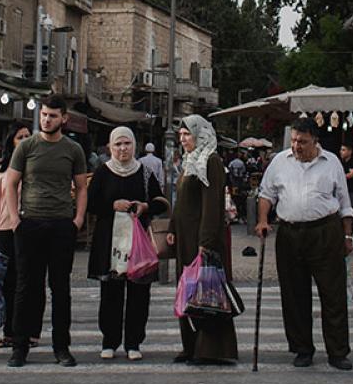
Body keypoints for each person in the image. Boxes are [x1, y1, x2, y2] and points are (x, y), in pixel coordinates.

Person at [256, 118, 353, 370]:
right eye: (294, 141)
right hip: (290, 233)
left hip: (325, 231)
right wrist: (263, 219)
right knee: (294, 294)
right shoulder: (280, 161)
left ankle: (338, 352)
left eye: (303, 142)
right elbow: (267, 194)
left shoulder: (331, 162)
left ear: (315, 141)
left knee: (333, 294)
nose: (297, 146)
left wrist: (347, 236)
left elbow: (344, 203)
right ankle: (302, 348)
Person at [0, 95, 88, 368]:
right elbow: (10, 184)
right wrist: (15, 219)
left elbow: (82, 187)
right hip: (30, 224)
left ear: (64, 118)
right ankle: (20, 347)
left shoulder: (73, 149)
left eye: (52, 115)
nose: (47, 119)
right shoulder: (26, 146)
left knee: (60, 289)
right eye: (44, 115)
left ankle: (62, 348)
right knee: (26, 287)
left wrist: (78, 219)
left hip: (62, 224)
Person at [87, 127, 169, 361]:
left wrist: (144, 207)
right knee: (110, 293)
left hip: (138, 243)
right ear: (111, 147)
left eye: (127, 144)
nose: (123, 149)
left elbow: (160, 202)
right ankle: (109, 341)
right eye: (118, 145)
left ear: (134, 145)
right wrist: (112, 205)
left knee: (139, 293)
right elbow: (91, 203)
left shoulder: (143, 171)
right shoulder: (103, 172)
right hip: (109, 243)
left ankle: (133, 342)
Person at [168, 115, 238, 365]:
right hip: (186, 238)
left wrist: (206, 241)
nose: (183, 139)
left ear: (200, 134)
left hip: (201, 238)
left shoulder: (210, 161)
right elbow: (181, 202)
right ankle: (191, 345)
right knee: (188, 292)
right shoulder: (190, 161)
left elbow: (212, 205)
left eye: (187, 134)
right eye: (181, 135)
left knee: (206, 293)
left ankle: (209, 348)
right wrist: (173, 227)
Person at [0, 123, 32, 348]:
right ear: (11, 142)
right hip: (5, 228)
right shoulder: (3, 169)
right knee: (5, 282)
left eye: (27, 136)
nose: (24, 139)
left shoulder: (34, 164)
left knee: (26, 280)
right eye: (19, 137)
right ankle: (9, 331)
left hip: (28, 227)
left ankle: (28, 331)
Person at [226, 150, 248, 223]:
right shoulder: (241, 163)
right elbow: (244, 172)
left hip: (233, 183)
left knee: (235, 199)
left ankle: (235, 215)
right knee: (240, 199)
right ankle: (240, 215)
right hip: (240, 183)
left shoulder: (231, 163)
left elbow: (229, 172)